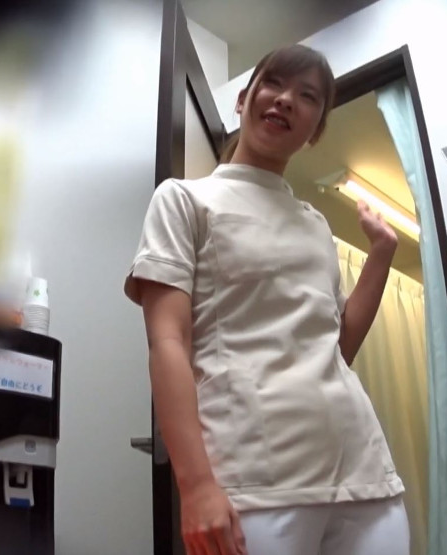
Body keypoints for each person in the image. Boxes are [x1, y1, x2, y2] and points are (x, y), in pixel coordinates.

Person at [124, 45, 409, 555]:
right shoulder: (184, 200)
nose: (285, 100)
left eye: (307, 96)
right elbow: (167, 343)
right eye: (273, 83)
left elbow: (338, 346)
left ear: (315, 129)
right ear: (243, 99)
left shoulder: (315, 224)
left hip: (364, 474)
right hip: (257, 483)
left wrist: (382, 253)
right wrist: (196, 485)